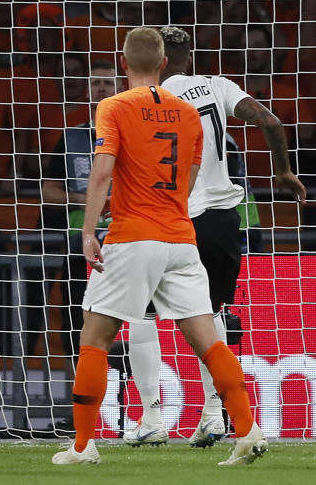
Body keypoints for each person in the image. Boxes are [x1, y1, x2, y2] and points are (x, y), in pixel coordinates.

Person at [52, 27, 267, 467]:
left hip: (132, 236)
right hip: (180, 237)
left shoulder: (112, 106)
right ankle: (247, 430)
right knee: (209, 339)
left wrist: (90, 230)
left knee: (95, 335)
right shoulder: (187, 114)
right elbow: (187, 182)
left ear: (124, 64)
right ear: (165, 64)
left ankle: (82, 446)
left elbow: (102, 172)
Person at [123, 26, 306, 448]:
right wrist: (282, 171)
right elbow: (271, 121)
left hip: (170, 218)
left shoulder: (150, 100)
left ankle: (151, 418)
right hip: (222, 220)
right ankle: (212, 414)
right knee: (213, 313)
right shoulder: (218, 86)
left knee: (142, 313)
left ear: (159, 60)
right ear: (190, 56)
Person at [41, 60, 120, 431]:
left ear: (118, 87)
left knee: (129, 324)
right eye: (95, 83)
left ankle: (127, 403)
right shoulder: (71, 136)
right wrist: (84, 199)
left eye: (107, 82)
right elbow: (47, 190)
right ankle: (84, 408)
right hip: (81, 244)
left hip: (124, 239)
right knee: (78, 323)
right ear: (87, 91)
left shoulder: (130, 131)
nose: (101, 88)